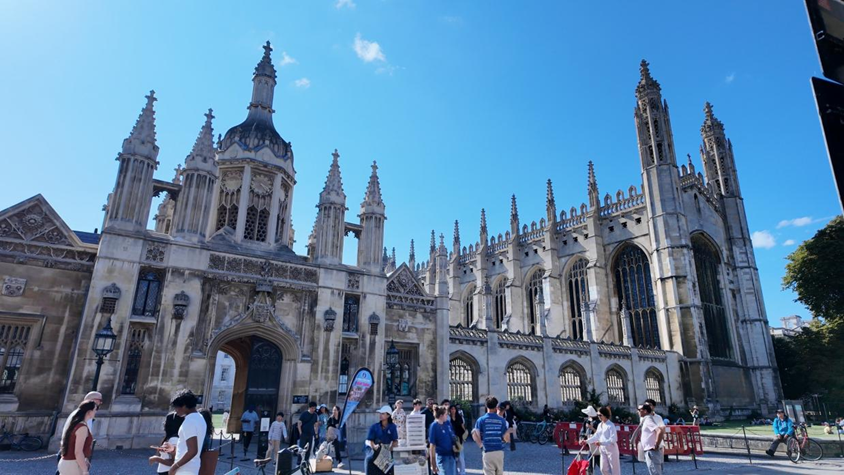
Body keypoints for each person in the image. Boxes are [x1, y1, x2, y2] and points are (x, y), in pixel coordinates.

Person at [168, 389, 207, 475]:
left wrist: (174, 467)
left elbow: (192, 451)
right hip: (192, 467)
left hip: (184, 469)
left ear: (184, 406)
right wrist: (175, 449)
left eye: (176, 407)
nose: (175, 411)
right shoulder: (200, 418)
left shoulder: (189, 421)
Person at [472, 396, 510, 475]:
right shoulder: (502, 421)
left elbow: (476, 435)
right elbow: (507, 438)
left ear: (486, 406)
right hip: (499, 451)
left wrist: (481, 446)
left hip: (488, 451)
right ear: (496, 406)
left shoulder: (481, 420)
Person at [58, 400, 97, 475]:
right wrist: (85, 470)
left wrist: (84, 460)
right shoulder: (82, 427)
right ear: (89, 412)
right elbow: (78, 452)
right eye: (95, 410)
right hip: (73, 464)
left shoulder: (75, 424)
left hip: (67, 462)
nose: (95, 412)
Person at [583, 407, 620, 475]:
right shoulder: (600, 425)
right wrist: (586, 441)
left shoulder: (611, 425)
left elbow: (613, 439)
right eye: (598, 415)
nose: (599, 417)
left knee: (615, 470)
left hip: (611, 450)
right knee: (603, 469)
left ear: (605, 415)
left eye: (600, 415)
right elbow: (596, 436)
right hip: (602, 449)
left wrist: (601, 443)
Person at [364, 405, 398, 475]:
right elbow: (371, 440)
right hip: (376, 451)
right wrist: (374, 446)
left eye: (383, 413)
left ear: (388, 415)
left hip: (387, 453)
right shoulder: (374, 427)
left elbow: (395, 441)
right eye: (380, 413)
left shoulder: (393, 427)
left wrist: (390, 448)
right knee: (369, 460)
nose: (380, 415)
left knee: (389, 468)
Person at [637, 403, 664, 475]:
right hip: (649, 450)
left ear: (645, 411)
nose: (638, 411)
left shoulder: (648, 420)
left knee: (655, 472)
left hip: (651, 450)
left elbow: (659, 431)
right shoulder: (646, 419)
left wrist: (656, 444)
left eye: (639, 410)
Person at [429, 406, 457, 475]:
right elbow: (432, 446)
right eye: (446, 414)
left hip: (451, 455)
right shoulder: (434, 426)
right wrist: (433, 463)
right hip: (442, 456)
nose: (447, 416)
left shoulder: (447, 423)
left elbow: (452, 435)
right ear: (441, 416)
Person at [580, 406, 601, 474]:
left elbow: (599, 434)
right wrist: (582, 438)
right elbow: (582, 431)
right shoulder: (587, 421)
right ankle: (590, 471)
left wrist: (592, 428)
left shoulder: (598, 422)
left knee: (599, 462)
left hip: (597, 445)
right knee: (590, 461)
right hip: (590, 445)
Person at [449, 405, 467, 475]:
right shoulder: (448, 418)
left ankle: (462, 472)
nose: (453, 410)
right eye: (452, 409)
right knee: (454, 456)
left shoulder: (459, 417)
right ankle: (455, 471)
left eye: (454, 409)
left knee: (461, 457)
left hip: (459, 438)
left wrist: (465, 434)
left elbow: (462, 426)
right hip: (452, 438)